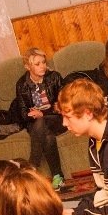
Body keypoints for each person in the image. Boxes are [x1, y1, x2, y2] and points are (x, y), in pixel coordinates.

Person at [58, 79, 108, 215]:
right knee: (59, 209)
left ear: (88, 114)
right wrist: (81, 208)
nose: (64, 123)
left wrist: (79, 213)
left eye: (68, 117)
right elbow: (105, 190)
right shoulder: (94, 141)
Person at [15, 47, 67, 190]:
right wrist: (31, 114)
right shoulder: (22, 84)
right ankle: (58, 177)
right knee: (47, 136)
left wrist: (43, 113)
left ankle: (32, 165)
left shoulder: (54, 77)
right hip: (35, 124)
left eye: (44, 62)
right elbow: (23, 113)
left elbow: (64, 104)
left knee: (41, 121)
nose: (42, 66)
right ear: (28, 66)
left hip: (57, 119)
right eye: (37, 64)